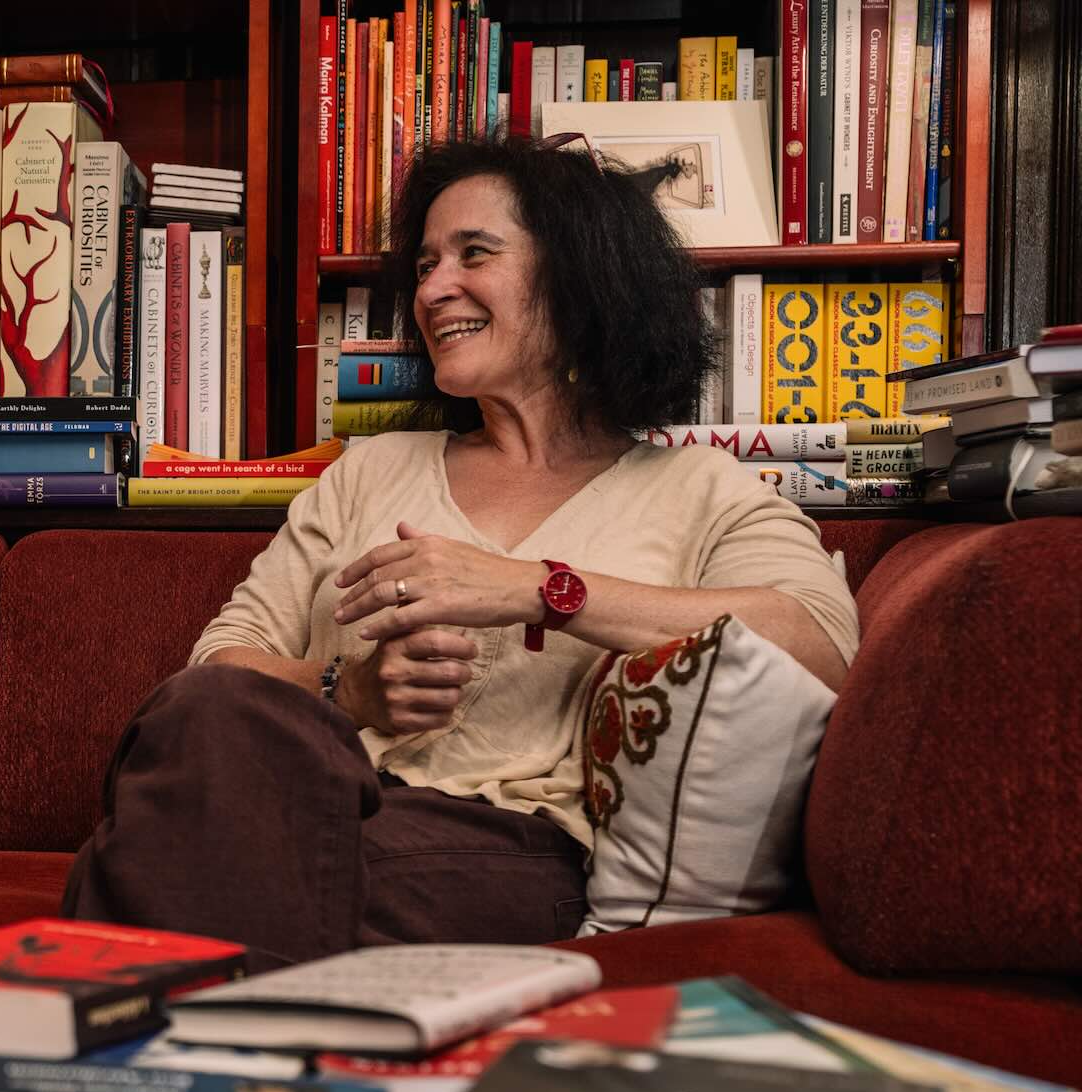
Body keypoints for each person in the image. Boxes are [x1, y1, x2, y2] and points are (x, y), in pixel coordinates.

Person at [63, 137, 858, 969]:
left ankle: (114, 1034)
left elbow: (820, 647)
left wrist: (539, 588)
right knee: (201, 717)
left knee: (153, 866)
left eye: (474, 254)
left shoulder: (701, 488)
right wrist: (350, 690)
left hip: (505, 850)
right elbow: (220, 671)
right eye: (425, 265)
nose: (434, 288)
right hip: (313, 802)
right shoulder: (369, 470)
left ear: (582, 275)